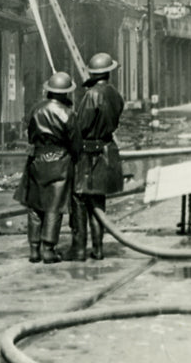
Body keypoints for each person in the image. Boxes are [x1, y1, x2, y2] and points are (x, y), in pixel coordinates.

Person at [14, 71, 80, 264]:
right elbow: (75, 143)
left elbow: (30, 135)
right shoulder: (68, 114)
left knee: (35, 206)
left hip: (37, 160)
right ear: (66, 93)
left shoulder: (36, 110)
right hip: (60, 162)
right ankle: (48, 249)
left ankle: (34, 249)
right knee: (54, 207)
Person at [67, 51, 125, 262]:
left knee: (80, 199)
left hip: (89, 155)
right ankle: (98, 248)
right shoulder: (115, 94)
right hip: (107, 151)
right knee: (98, 203)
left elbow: (81, 126)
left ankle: (80, 248)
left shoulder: (92, 95)